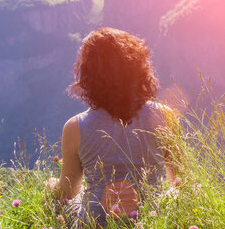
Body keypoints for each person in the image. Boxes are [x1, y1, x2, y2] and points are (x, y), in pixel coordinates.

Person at [45, 27, 177, 227]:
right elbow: (180, 181)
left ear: (88, 76)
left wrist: (50, 186)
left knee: (65, 199)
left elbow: (67, 191)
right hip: (151, 221)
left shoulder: (75, 127)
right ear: (139, 68)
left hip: (95, 223)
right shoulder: (165, 116)